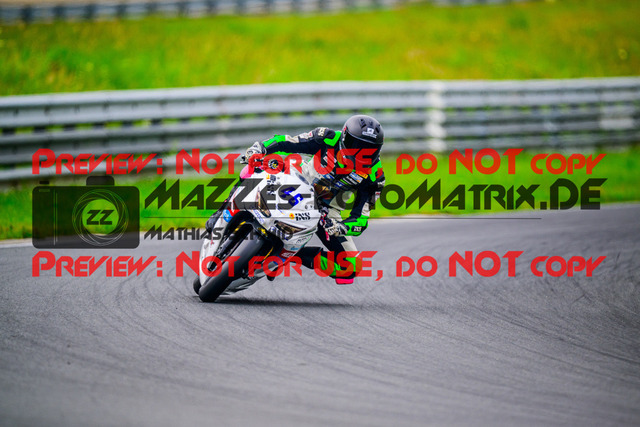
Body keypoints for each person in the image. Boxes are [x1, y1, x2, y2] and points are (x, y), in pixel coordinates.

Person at [206, 114, 385, 284]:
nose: (361, 154)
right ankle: (222, 212)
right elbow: (288, 141)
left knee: (350, 267)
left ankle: (291, 255)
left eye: (369, 150)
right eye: (356, 146)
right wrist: (260, 148)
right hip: (298, 180)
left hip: (327, 211)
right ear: (345, 138)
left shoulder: (375, 176)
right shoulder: (327, 138)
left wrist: (341, 227)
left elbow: (361, 218)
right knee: (252, 169)